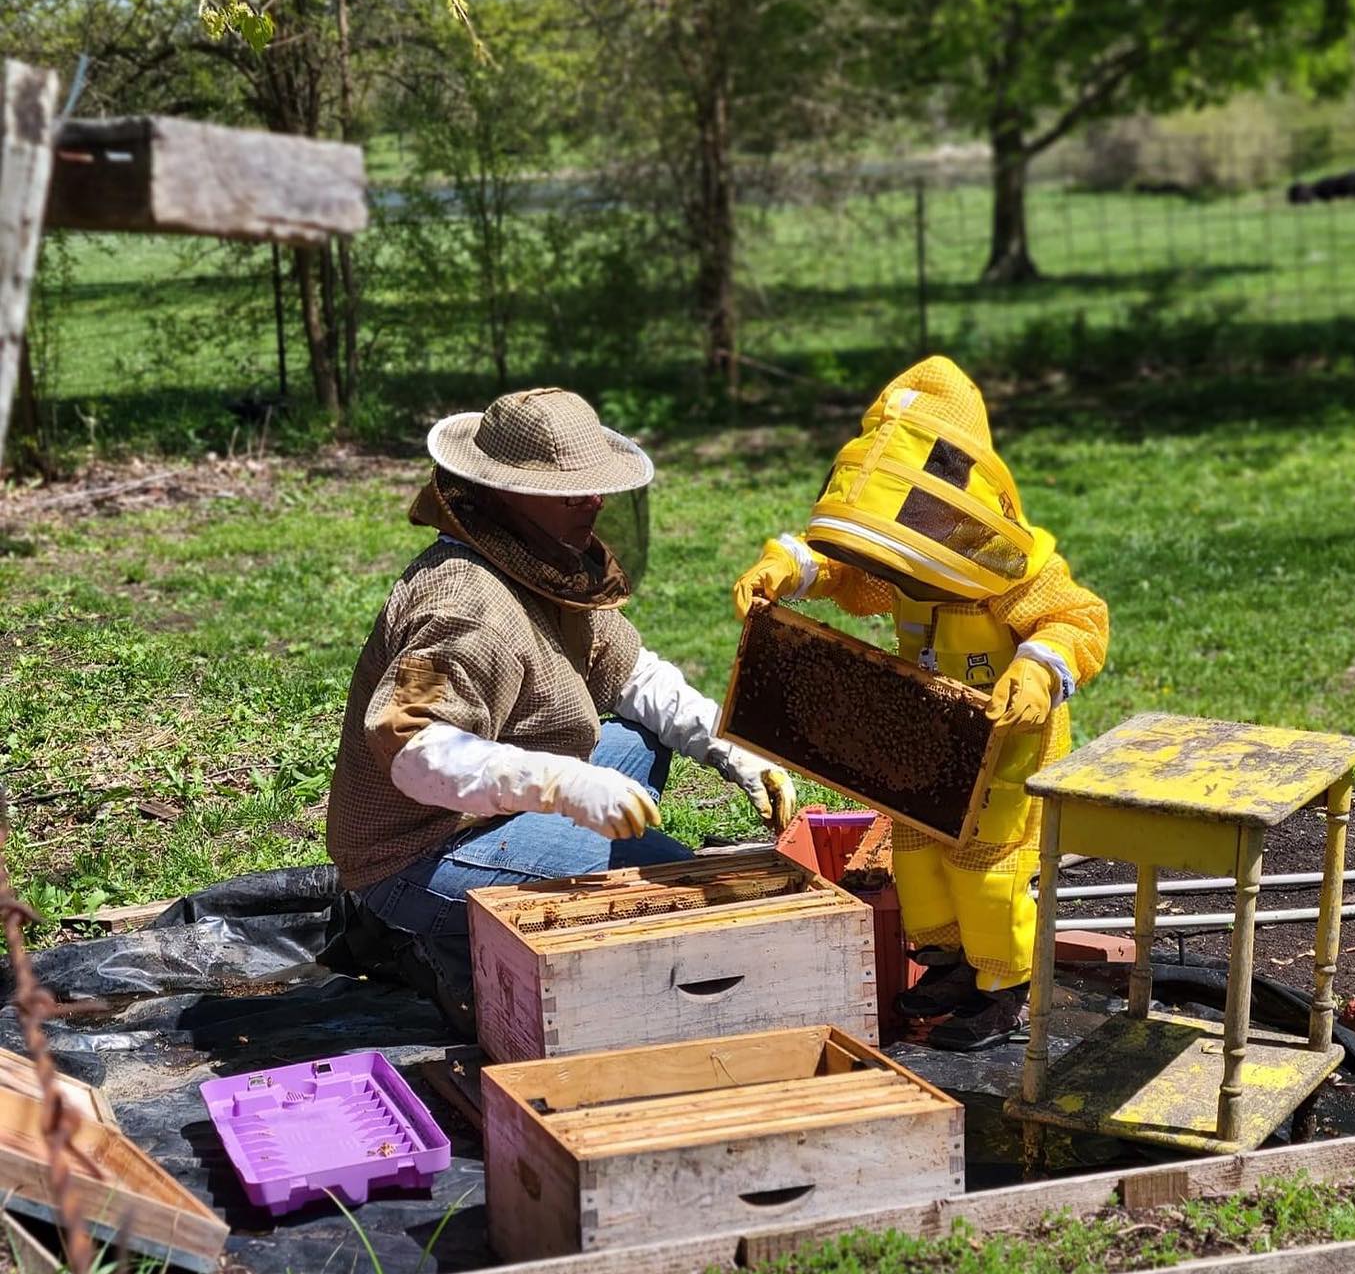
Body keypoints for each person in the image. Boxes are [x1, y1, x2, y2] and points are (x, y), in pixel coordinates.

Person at [328, 386, 796, 1020]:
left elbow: (633, 677)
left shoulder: (545, 562)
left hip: (492, 806)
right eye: (572, 491)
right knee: (667, 883)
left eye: (597, 485)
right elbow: (408, 744)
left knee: (642, 738)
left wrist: (731, 748)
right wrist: (560, 785)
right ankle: (437, 939)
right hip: (416, 853)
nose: (596, 502)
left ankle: (537, 886)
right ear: (503, 493)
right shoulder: (460, 605)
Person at [732, 356, 1107, 1050]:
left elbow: (1078, 620)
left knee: (988, 875)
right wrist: (787, 567)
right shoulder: (905, 551)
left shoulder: (1011, 568)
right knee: (918, 854)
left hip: (1006, 752)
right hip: (931, 744)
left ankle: (1006, 990)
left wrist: (1035, 674)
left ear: (961, 481)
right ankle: (954, 963)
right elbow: (846, 566)